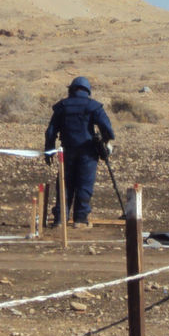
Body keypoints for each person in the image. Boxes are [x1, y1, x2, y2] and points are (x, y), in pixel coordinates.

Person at [44, 76, 114, 227]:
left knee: (64, 184)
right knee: (84, 184)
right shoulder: (93, 106)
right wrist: (104, 143)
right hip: (88, 153)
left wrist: (49, 150)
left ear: (71, 89)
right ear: (87, 91)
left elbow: (50, 132)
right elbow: (108, 130)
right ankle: (80, 220)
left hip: (66, 152)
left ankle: (60, 220)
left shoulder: (62, 106)